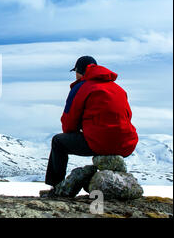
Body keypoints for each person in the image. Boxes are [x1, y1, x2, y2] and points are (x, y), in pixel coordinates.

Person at [43, 56, 138, 195]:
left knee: (58, 142)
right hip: (126, 144)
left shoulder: (81, 87)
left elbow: (69, 122)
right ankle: (115, 185)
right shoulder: (118, 88)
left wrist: (78, 132)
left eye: (75, 71)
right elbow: (127, 116)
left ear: (79, 71)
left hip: (99, 142)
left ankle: (55, 187)